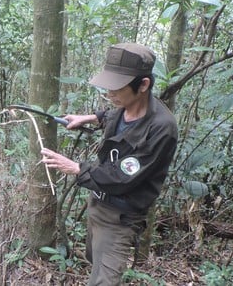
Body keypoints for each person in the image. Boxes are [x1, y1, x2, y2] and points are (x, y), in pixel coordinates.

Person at [41, 43, 178, 285]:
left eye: (116, 88)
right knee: (95, 261)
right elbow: (114, 115)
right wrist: (91, 117)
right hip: (98, 206)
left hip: (120, 219)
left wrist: (76, 168)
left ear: (143, 85)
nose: (109, 94)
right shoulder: (123, 108)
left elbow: (122, 177)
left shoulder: (161, 128)